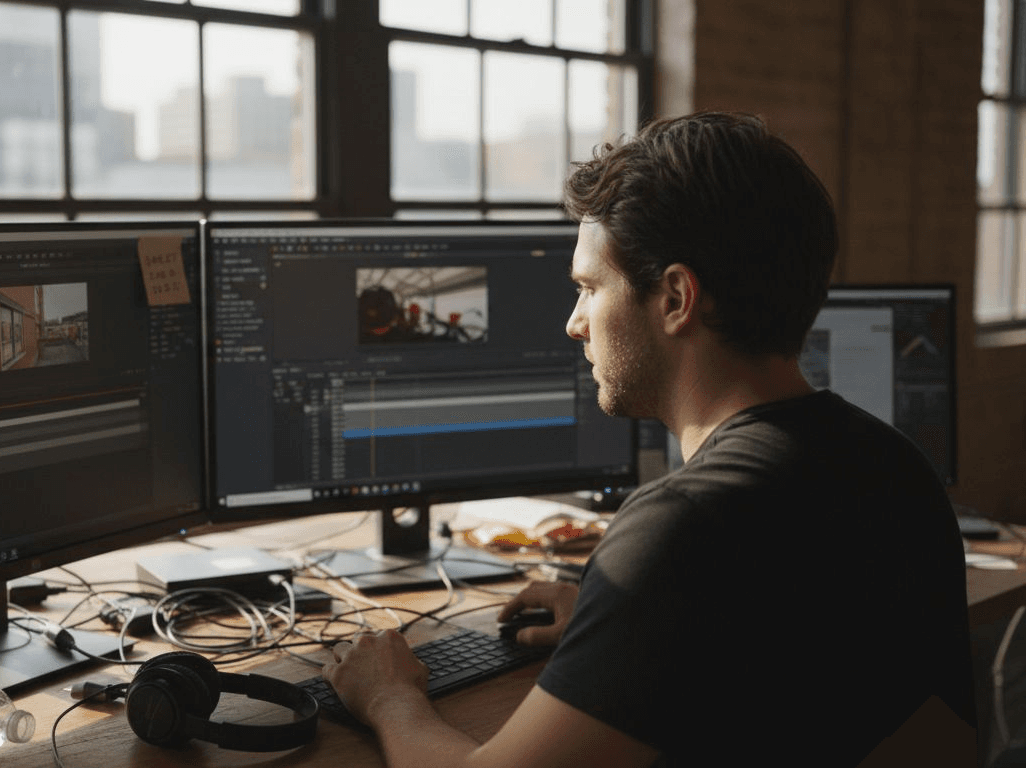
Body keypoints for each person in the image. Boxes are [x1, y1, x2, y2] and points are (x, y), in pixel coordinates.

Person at [322, 112, 976, 767]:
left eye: (588, 288)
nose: (574, 323)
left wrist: (388, 697)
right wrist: (619, 626)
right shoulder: (895, 467)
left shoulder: (684, 528)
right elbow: (801, 654)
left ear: (675, 298)